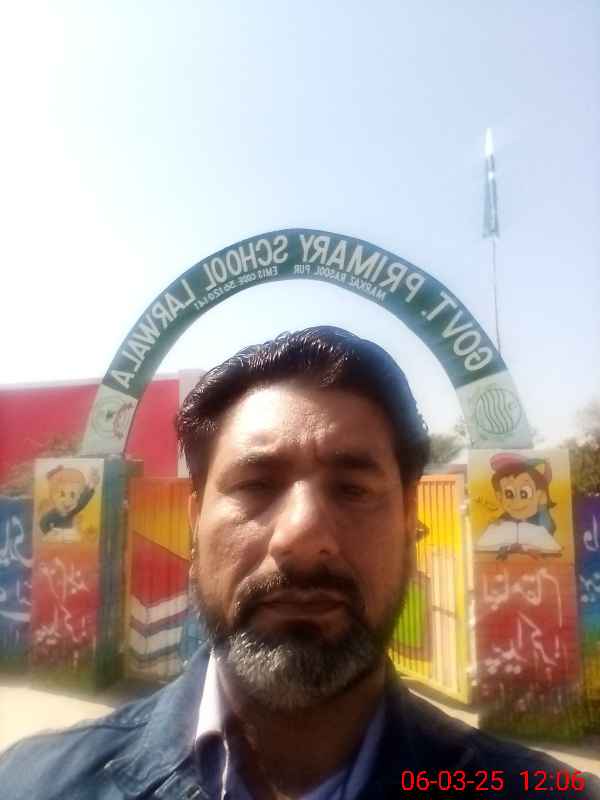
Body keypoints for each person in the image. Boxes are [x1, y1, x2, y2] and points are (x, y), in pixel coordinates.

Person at [1, 326, 598, 799]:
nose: (303, 537)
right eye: (256, 485)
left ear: (409, 521)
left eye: (352, 489)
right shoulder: (35, 784)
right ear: (194, 523)